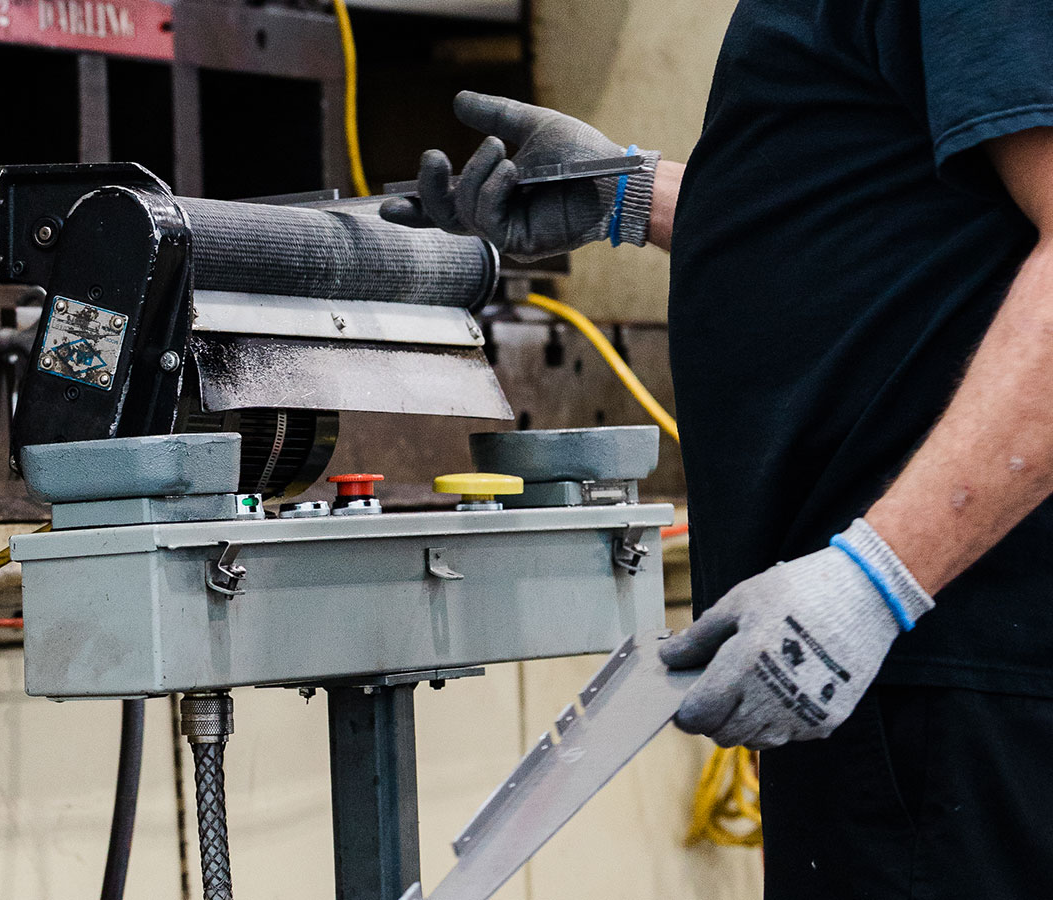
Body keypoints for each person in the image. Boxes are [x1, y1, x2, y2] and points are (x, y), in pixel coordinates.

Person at [381, 3, 1053, 897]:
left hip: (950, 670)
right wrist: (630, 196)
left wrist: (875, 581)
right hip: (886, 675)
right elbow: (896, 223)